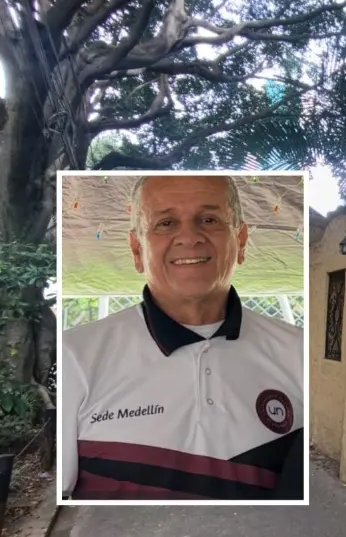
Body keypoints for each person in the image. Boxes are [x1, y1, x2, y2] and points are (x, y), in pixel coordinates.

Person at [61, 175, 304, 500]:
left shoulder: (300, 352)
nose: (189, 238)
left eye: (209, 220)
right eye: (166, 223)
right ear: (137, 249)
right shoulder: (75, 356)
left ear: (241, 240)